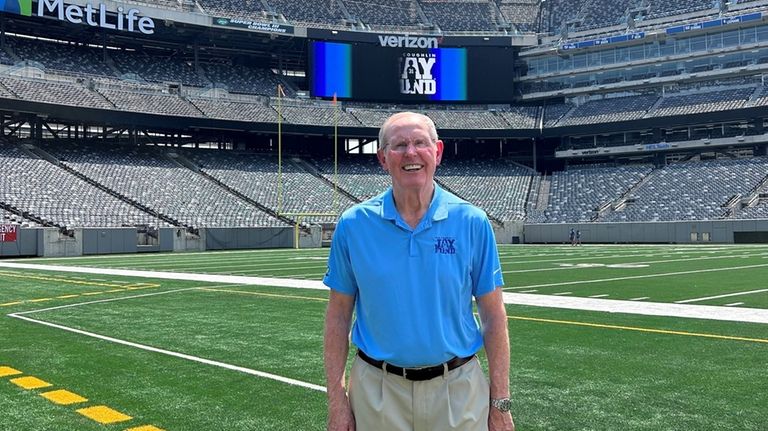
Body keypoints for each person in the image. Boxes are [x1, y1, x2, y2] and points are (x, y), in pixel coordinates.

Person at [323, 112, 515, 431]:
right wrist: (336, 401)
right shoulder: (354, 225)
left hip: (458, 389)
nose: (411, 153)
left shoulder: (472, 222)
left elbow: (495, 317)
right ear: (383, 158)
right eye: (398, 145)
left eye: (420, 143)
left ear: (437, 152)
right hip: (377, 392)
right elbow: (338, 316)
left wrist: (502, 404)